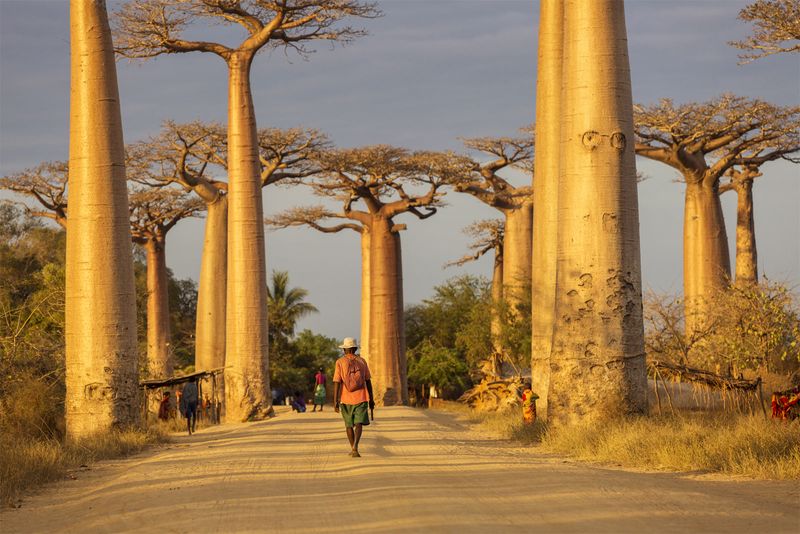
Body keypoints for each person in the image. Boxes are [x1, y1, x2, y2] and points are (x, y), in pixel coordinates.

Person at [333, 337, 375, 458]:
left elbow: (337, 381)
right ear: (355, 348)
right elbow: (368, 381)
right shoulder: (362, 361)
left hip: (345, 399)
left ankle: (353, 448)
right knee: (359, 423)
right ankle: (355, 446)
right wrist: (371, 399)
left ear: (344, 349)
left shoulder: (340, 362)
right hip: (361, 397)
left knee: (348, 425)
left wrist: (335, 400)